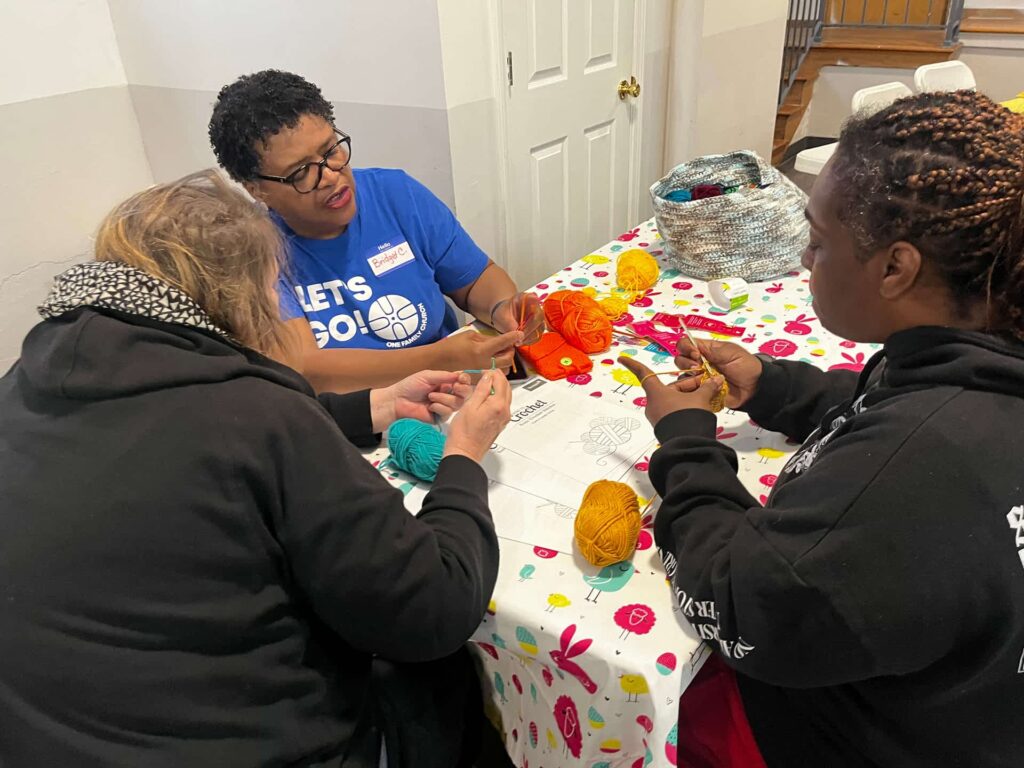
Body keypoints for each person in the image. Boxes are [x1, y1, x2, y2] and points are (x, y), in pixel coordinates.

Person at [0, 170, 512, 766]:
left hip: (45, 738)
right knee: (443, 679)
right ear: (239, 300)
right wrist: (465, 456)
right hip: (255, 744)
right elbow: (436, 606)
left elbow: (192, 434)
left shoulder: (21, 385)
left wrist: (364, 408)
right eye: (273, 290)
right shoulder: (265, 418)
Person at [620, 90, 1024, 767]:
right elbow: (900, 397)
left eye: (818, 240)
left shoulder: (911, 475)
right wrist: (772, 385)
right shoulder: (985, 356)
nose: (806, 262)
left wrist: (687, 444)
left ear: (897, 267)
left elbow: (732, 603)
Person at [209, 69, 545, 393]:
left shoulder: (396, 194)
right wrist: (440, 359)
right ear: (257, 189)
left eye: (331, 151)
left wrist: (503, 308)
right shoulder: (254, 251)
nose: (330, 176)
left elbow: (475, 279)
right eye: (300, 173)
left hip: (451, 392)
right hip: (359, 420)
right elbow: (308, 371)